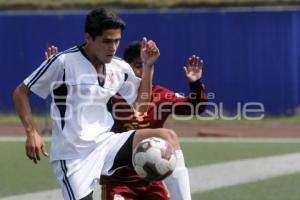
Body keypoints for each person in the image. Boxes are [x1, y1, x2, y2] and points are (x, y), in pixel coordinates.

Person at [13, 8, 191, 200]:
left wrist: (147, 67)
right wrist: (31, 132)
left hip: (107, 144)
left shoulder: (119, 67)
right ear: (88, 38)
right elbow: (21, 92)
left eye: (117, 41)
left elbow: (140, 106)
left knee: (167, 136)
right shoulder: (63, 62)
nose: (113, 47)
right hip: (73, 156)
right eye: (107, 41)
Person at [100, 41, 207, 200]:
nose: (142, 71)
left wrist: (195, 84)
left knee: (168, 135)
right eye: (138, 65)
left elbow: (196, 107)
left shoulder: (161, 95)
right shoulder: (110, 97)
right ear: (125, 70)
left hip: (153, 178)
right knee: (167, 134)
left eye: (147, 66)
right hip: (118, 180)